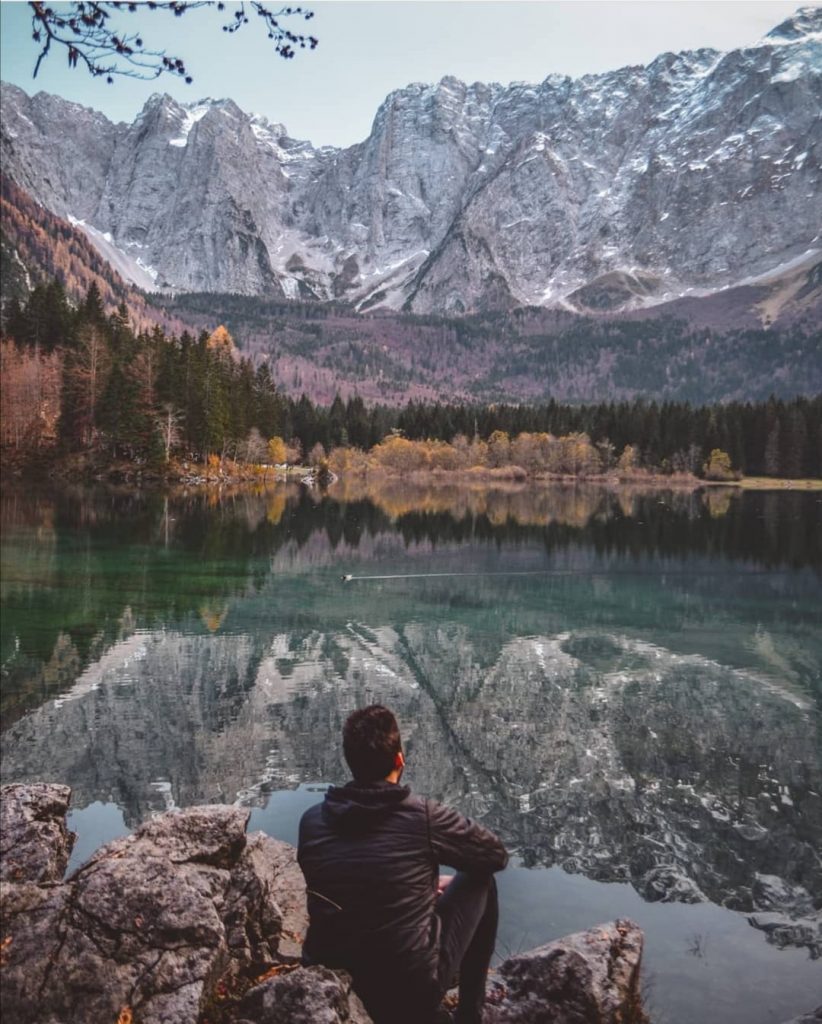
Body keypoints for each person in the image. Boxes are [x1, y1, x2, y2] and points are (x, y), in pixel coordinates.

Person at [297, 704, 508, 1024]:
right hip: (410, 989)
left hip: (332, 975)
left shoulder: (312, 821)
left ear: (350, 762)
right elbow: (495, 856)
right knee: (482, 880)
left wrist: (422, 886)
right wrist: (432, 885)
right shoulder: (421, 816)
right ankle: (469, 1016)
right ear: (399, 760)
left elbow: (358, 873)